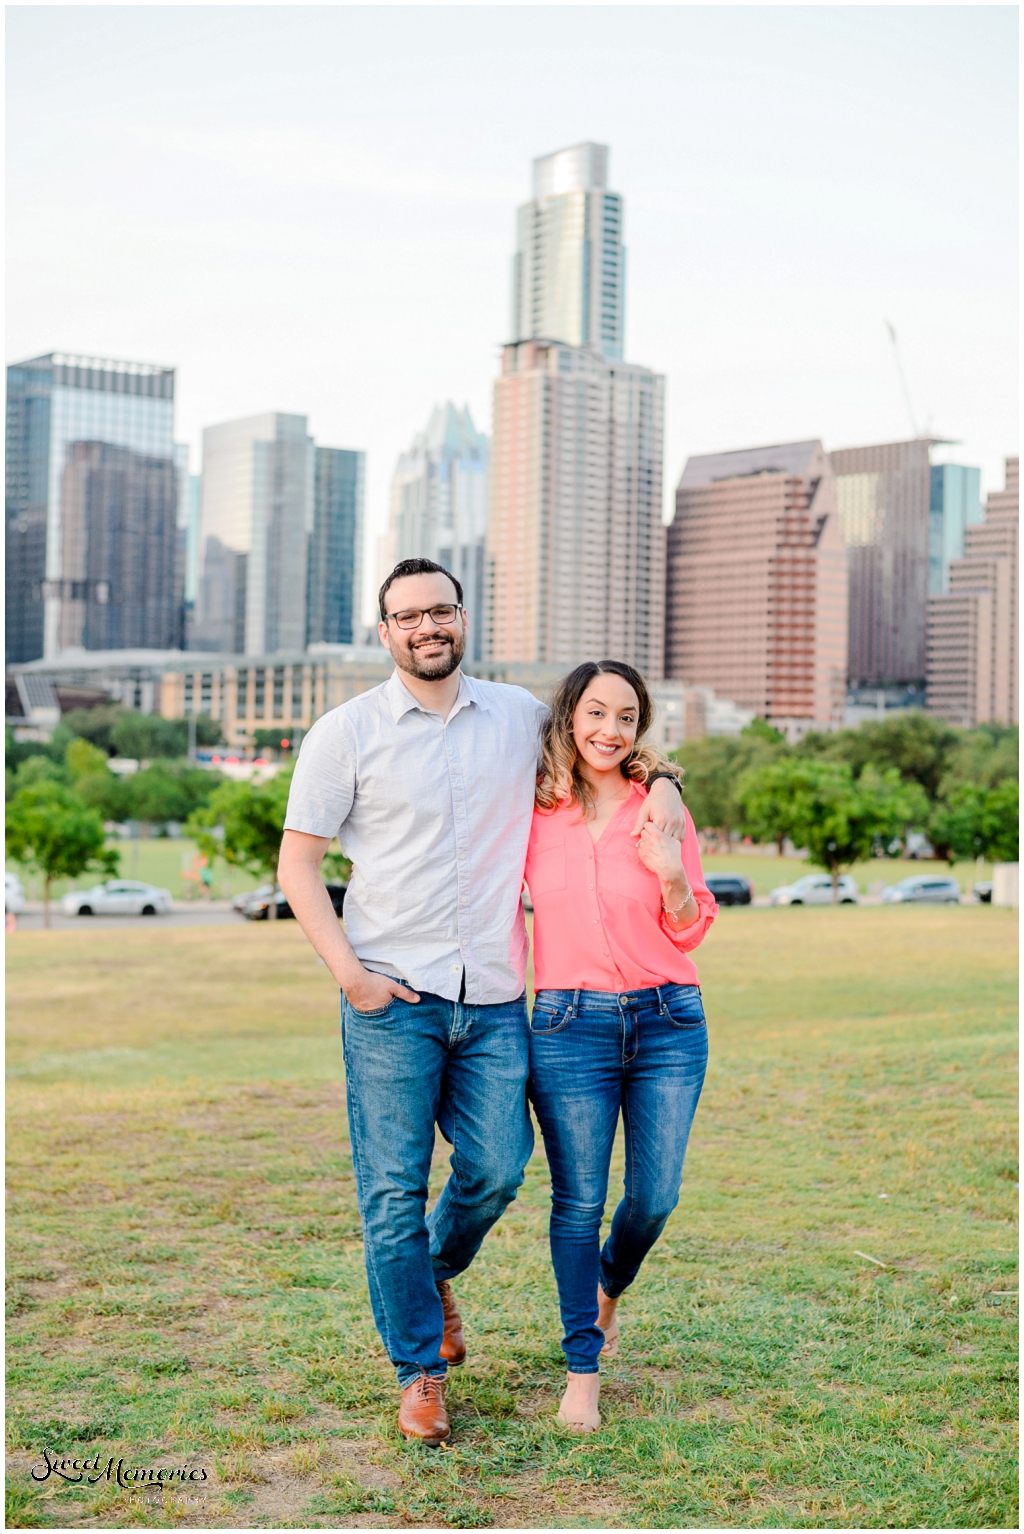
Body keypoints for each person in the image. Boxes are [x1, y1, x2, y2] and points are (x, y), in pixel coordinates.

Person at [277, 560, 687, 1448]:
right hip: (391, 998)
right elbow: (297, 867)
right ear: (382, 631)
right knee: (390, 1192)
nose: (427, 627)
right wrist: (349, 973)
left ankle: (430, 1272)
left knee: (498, 1169)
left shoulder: (517, 717)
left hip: (497, 1000)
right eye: (407, 616)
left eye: (441, 611)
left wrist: (667, 787)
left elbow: (610, 741)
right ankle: (420, 1370)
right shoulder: (342, 735)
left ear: (463, 619)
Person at [524, 659, 717, 1433]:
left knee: (654, 1198)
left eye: (627, 717)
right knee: (577, 1203)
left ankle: (609, 1290)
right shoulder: (530, 811)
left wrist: (671, 874)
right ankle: (582, 1368)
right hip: (569, 1026)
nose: (610, 730)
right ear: (571, 716)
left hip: (670, 1018)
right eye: (597, 713)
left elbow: (694, 921)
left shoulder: (661, 810)